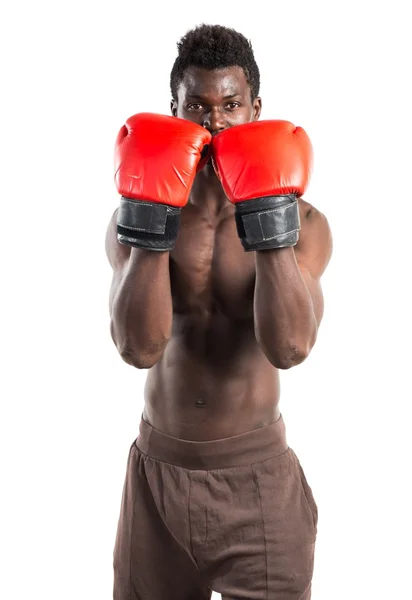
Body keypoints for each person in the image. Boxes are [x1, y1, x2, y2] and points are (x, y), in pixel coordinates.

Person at [105, 23, 333, 600]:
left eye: (231, 105)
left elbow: (291, 348)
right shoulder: (132, 216)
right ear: (173, 111)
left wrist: (267, 218)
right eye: (197, 107)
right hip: (157, 480)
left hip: (257, 487)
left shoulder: (304, 223)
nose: (213, 123)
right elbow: (139, 349)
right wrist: (153, 222)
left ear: (256, 110)